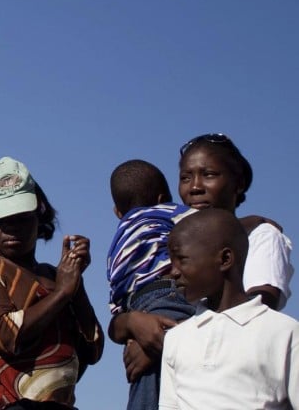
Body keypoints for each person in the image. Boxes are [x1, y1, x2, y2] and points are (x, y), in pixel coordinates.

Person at [112, 133, 294, 387]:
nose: (195, 187)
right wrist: (132, 322)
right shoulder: (179, 241)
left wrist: (167, 340)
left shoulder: (261, 237)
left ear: (238, 184)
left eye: (208, 175)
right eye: (185, 177)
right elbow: (118, 325)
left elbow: (258, 311)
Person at [0, 157, 103, 410]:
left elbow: (93, 349)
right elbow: (5, 334)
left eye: (21, 219)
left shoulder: (55, 274)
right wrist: (62, 292)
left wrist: (76, 283)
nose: (12, 230)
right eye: (2, 222)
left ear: (39, 217)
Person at [158, 208, 299, 409]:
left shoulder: (284, 332)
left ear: (225, 259)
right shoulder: (176, 338)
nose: (173, 272)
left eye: (182, 260)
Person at [105, 160, 195, 410]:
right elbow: (209, 226)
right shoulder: (166, 212)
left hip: (137, 306)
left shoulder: (115, 250)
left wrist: (132, 331)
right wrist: (252, 221)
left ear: (117, 212)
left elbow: (117, 302)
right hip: (171, 293)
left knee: (146, 379)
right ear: (162, 197)